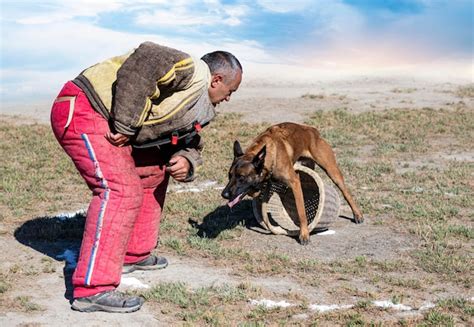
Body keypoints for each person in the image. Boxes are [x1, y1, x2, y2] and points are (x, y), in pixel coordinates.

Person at [50, 41, 242, 313]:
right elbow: (146, 59)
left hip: (107, 120)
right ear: (217, 79)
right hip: (85, 108)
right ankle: (93, 289)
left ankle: (134, 254)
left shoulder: (200, 106)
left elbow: (188, 139)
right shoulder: (193, 69)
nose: (228, 98)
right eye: (230, 91)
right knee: (120, 190)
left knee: (153, 171)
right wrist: (126, 124)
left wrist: (187, 159)